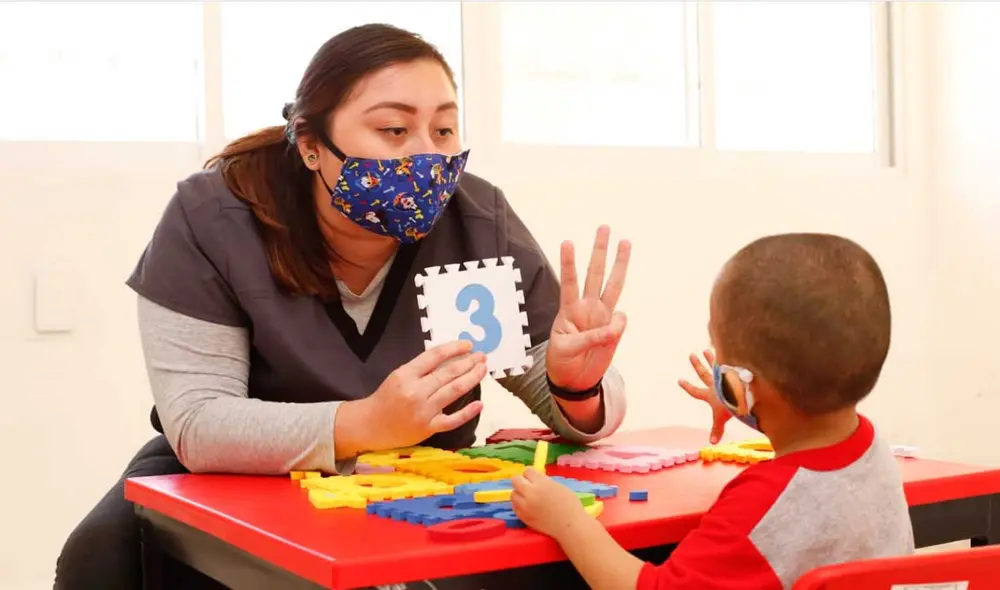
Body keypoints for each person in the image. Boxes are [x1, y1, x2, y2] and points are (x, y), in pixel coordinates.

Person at [54, 24, 632, 590]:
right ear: (311, 145)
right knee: (102, 555)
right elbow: (199, 423)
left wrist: (576, 387)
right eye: (394, 129)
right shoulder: (213, 217)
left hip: (415, 481)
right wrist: (364, 424)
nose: (427, 155)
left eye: (444, 129)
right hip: (230, 476)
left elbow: (569, 409)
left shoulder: (476, 219)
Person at [510, 233, 916, 590]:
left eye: (718, 348)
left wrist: (567, 520)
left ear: (740, 386)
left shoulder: (760, 504)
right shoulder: (872, 451)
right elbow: (810, 448)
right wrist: (747, 407)